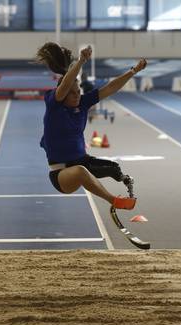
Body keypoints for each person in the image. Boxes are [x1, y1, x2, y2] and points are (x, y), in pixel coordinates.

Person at [36, 42, 147, 210]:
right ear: (63, 95)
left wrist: (134, 71)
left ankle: (125, 183)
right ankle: (114, 201)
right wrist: (80, 61)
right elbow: (65, 85)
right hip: (61, 174)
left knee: (113, 167)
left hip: (84, 162)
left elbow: (110, 88)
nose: (77, 95)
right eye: (72, 93)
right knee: (80, 171)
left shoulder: (83, 103)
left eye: (78, 91)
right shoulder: (54, 105)